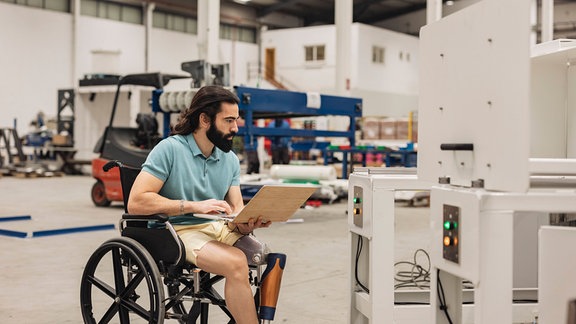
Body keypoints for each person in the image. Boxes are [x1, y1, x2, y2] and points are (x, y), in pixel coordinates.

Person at [128, 85, 271, 324]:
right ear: (204, 119)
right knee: (236, 262)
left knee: (268, 257)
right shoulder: (170, 149)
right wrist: (193, 206)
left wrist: (245, 223)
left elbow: (236, 208)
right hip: (177, 231)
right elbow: (136, 201)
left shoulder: (230, 159)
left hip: (217, 228)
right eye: (228, 120)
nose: (235, 128)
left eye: (236, 120)